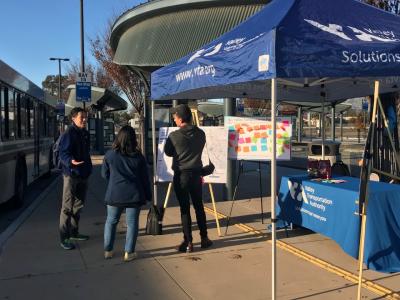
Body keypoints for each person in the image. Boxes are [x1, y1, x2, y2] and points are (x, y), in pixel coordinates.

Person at [164, 104, 213, 253]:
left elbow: (168, 152)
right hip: (197, 175)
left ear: (180, 118)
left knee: (184, 209)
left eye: (175, 117)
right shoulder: (201, 134)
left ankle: (188, 242)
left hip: (181, 176)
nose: (174, 119)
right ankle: (204, 238)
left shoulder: (174, 136)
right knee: (199, 206)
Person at [101, 126, 151, 262]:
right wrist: (148, 195)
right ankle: (129, 252)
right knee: (132, 223)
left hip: (114, 194)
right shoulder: (139, 157)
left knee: (111, 222)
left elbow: (104, 175)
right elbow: (145, 179)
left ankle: (108, 250)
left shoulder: (110, 155)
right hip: (134, 195)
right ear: (134, 139)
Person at [58, 107, 92, 250]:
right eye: (81, 117)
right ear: (73, 118)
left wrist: (88, 169)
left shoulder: (85, 133)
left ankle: (74, 232)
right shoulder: (69, 133)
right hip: (71, 175)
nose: (84, 120)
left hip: (83, 174)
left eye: (85, 117)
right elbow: (63, 152)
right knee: (67, 207)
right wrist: (70, 161)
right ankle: (64, 238)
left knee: (78, 206)